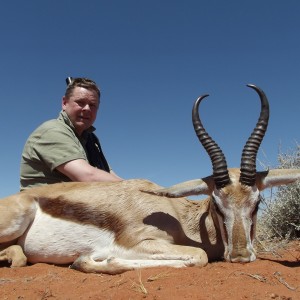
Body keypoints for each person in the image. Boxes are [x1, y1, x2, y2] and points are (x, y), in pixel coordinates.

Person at [20, 77, 122, 190]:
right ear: (64, 103)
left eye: (92, 105)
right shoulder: (52, 131)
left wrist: (135, 188)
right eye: (80, 102)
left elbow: (109, 173)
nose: (87, 109)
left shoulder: (91, 140)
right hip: (43, 206)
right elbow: (87, 176)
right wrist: (136, 190)